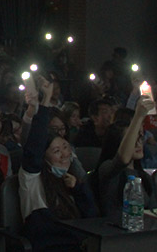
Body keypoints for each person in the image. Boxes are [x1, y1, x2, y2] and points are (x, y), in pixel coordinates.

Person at [19, 78, 97, 252]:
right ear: (43, 157)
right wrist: (45, 100)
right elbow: (34, 146)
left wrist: (78, 189)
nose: (64, 155)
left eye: (65, 148)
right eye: (56, 151)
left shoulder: (69, 180)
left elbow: (92, 218)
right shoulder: (32, 179)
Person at [96, 96, 157, 218]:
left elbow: (154, 211)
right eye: (133, 140)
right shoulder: (106, 168)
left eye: (140, 138)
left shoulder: (144, 177)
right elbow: (123, 159)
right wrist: (138, 116)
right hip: (114, 227)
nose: (138, 144)